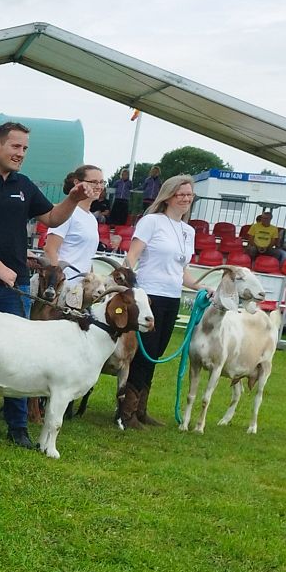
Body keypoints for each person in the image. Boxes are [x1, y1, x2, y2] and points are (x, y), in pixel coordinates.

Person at [0, 121, 102, 447]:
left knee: (20, 355)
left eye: (25, 149)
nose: (21, 154)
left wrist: (72, 198)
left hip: (10, 283)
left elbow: (52, 219)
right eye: (16, 147)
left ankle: (18, 426)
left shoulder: (25, 185)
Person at [120, 174, 197, 427]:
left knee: (157, 352)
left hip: (172, 297)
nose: (185, 198)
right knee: (144, 353)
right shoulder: (151, 222)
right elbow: (133, 256)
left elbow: (182, 270)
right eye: (181, 194)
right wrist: (130, 285)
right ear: (169, 196)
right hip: (149, 295)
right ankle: (126, 411)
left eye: (189, 194)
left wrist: (201, 286)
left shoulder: (189, 231)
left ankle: (140, 408)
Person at [44, 164, 105, 286]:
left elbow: (88, 257)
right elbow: (50, 249)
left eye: (101, 182)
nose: (99, 186)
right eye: (93, 182)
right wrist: (55, 283)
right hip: (64, 284)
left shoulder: (92, 219)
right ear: (77, 183)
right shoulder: (67, 212)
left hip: (81, 288)